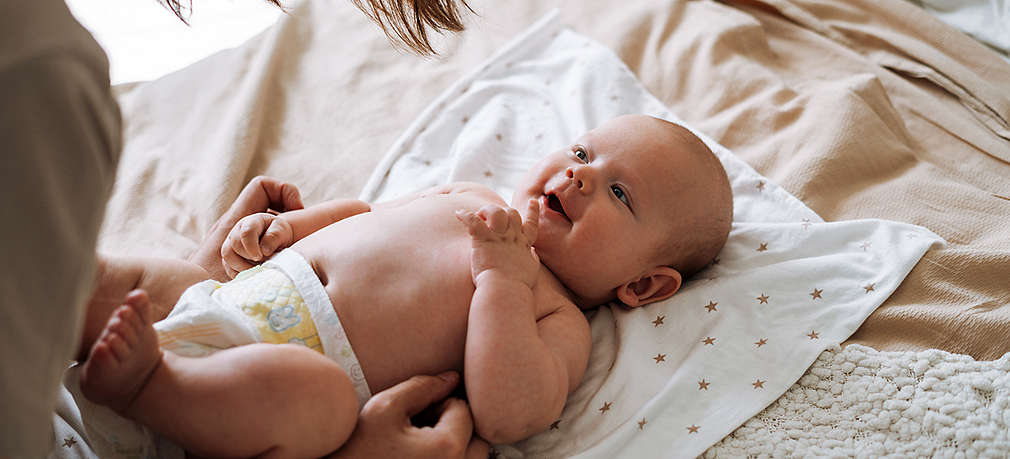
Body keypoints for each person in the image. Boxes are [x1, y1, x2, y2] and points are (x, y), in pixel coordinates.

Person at [76, 114, 734, 457]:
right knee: (143, 275)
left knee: (324, 400)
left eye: (620, 192)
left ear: (643, 284)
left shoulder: (554, 313)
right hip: (215, 305)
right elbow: (368, 215)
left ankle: (148, 386)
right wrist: (287, 230)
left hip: (259, 391)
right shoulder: (470, 193)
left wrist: (501, 281)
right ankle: (62, 290)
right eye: (583, 153)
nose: (581, 176)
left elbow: (513, 411)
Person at [0, 0, 478, 457]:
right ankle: (150, 382)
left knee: (161, 282)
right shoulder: (38, 76)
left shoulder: (548, 302)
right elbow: (358, 216)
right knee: (324, 405)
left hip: (157, 362)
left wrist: (205, 299)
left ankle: (153, 367)